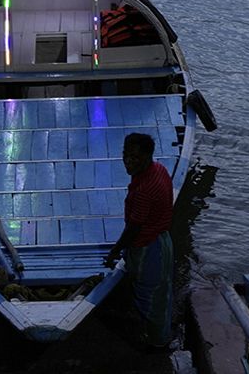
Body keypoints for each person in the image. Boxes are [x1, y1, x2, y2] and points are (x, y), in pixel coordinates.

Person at [104, 131, 173, 351]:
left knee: (148, 296)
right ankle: (158, 335)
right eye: (126, 154)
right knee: (161, 292)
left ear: (147, 157)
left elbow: (134, 228)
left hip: (149, 247)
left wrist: (115, 251)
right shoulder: (159, 170)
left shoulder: (144, 190)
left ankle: (155, 343)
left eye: (135, 157)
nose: (129, 161)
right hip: (162, 239)